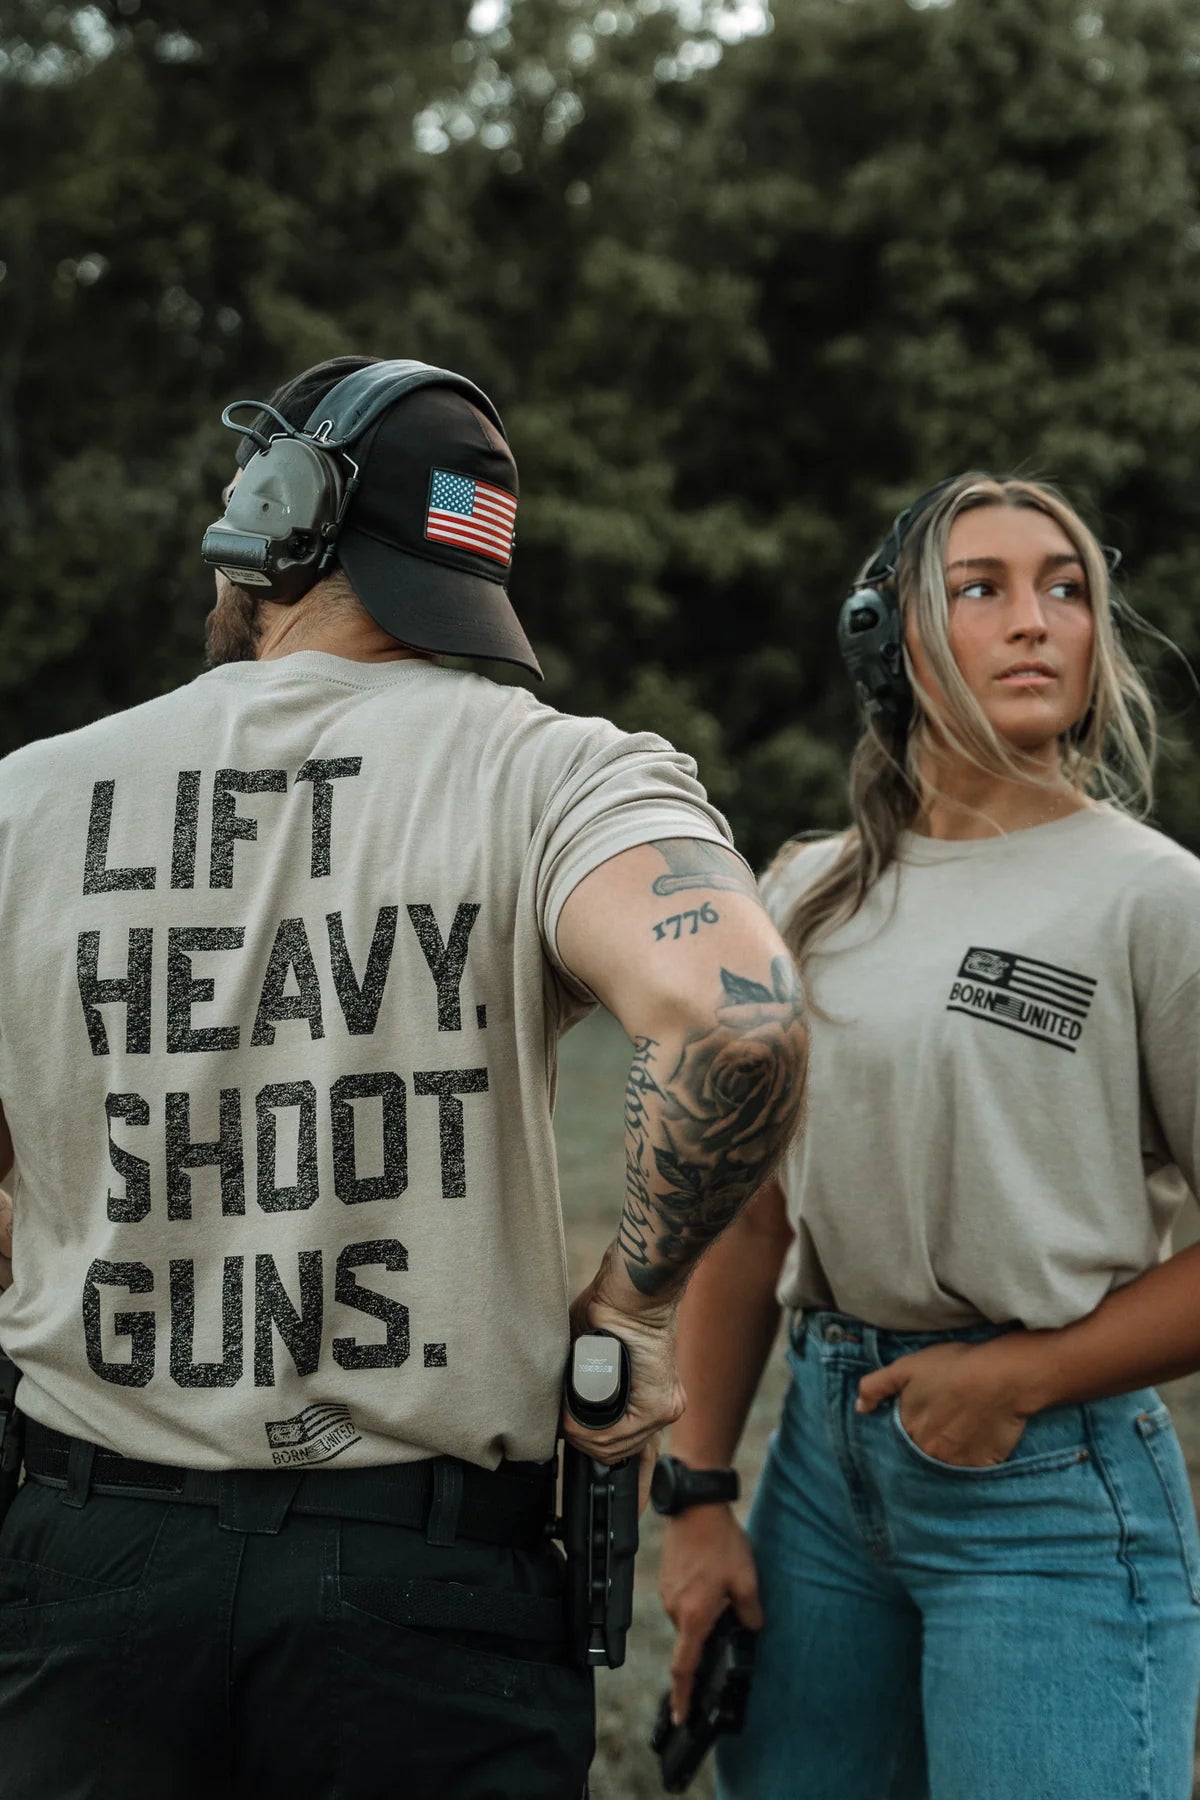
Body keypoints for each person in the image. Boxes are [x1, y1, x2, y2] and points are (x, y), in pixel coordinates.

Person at [0, 354, 807, 1800]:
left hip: (86, 1568)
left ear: (274, 511)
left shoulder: (29, 800)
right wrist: (634, 1308)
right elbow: (737, 1016)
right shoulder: (558, 775)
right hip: (426, 1591)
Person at [657, 472, 1200, 1799]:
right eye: (982, 589)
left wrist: (1023, 1377)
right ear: (887, 639)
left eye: (1065, 590)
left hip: (1046, 1485)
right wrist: (698, 1492)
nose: (1036, 621)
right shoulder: (807, 891)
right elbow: (752, 1215)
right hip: (820, 1474)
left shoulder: (1155, 900)